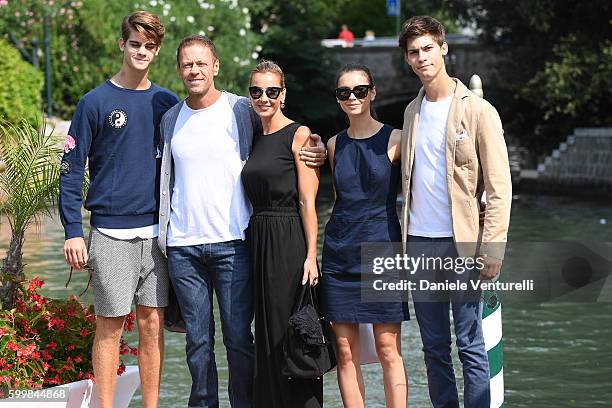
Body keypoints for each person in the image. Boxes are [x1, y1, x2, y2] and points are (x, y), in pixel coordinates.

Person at [157, 36, 326, 408]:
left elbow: (280, 132)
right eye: (187, 64)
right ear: (179, 69)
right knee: (197, 342)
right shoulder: (171, 118)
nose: (194, 70)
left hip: (234, 243)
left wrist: (315, 144)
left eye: (202, 63)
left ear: (216, 66)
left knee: (238, 339)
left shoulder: (242, 109)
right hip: (184, 246)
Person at [59, 11, 178, 408]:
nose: (141, 51)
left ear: (156, 51)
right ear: (121, 45)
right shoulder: (94, 102)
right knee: (109, 327)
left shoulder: (167, 102)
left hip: (157, 234)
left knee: (152, 325)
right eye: (134, 44)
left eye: (149, 46)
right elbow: (72, 170)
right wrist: (73, 230)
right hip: (110, 233)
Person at [398, 16, 512, 408]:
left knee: (469, 344)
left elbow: (500, 188)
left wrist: (493, 249)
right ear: (408, 60)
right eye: (414, 52)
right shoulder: (411, 113)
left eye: (428, 48)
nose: (422, 57)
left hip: (463, 247)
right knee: (433, 348)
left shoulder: (480, 111)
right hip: (419, 245)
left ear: (443, 48)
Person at [321, 63, 409, 408]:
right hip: (339, 255)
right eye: (345, 92)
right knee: (345, 353)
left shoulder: (397, 139)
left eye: (360, 90)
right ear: (338, 99)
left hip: (383, 253)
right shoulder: (332, 145)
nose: (352, 97)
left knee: (389, 349)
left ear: (372, 92)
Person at [241, 60, 322, 408]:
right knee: (266, 334)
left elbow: (307, 201)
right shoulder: (252, 136)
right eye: (257, 91)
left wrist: (310, 255)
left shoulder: (299, 134)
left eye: (272, 91)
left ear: (283, 94)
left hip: (288, 239)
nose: (264, 98)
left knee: (291, 332)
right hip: (257, 240)